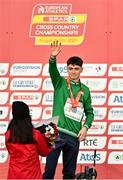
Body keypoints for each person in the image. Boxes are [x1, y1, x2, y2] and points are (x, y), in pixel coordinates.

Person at [43, 40, 94, 179]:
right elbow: (52, 70)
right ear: (67, 69)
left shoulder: (86, 90)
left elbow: (90, 113)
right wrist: (52, 58)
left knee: (69, 174)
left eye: (76, 68)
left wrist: (85, 127)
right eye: (70, 68)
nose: (73, 71)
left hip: (74, 134)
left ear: (81, 70)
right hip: (54, 130)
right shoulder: (59, 82)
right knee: (49, 171)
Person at [5, 101, 53, 179]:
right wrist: (50, 138)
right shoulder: (35, 134)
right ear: (27, 115)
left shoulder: (8, 135)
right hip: (32, 177)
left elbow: (11, 151)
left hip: (13, 176)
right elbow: (44, 152)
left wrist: (43, 136)